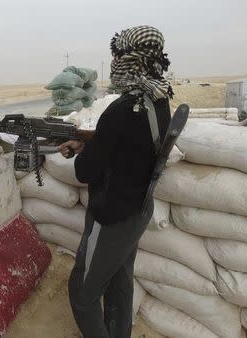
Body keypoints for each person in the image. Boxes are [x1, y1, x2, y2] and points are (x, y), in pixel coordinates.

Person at [58, 25, 174, 338]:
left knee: (82, 292)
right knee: (121, 281)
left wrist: (79, 151)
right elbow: (130, 149)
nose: (114, 64)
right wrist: (94, 144)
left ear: (130, 59)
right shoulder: (159, 102)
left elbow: (85, 172)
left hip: (112, 217)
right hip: (138, 208)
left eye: (118, 57)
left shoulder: (120, 111)